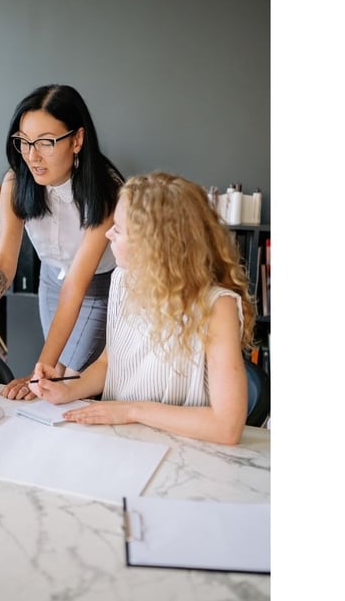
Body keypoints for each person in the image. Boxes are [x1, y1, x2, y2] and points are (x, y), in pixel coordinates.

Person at [29, 172, 256, 445]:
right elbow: (109, 363)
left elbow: (226, 428)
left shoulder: (218, 306)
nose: (108, 233)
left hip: (187, 449)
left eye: (119, 229)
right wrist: (67, 389)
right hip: (124, 441)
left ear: (155, 244)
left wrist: (132, 411)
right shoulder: (123, 279)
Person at [0, 84, 124, 400]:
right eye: (24, 142)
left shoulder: (106, 190)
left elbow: (77, 284)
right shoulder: (16, 183)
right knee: (55, 382)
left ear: (77, 140)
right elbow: (3, 261)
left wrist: (41, 369)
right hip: (51, 285)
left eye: (45, 143)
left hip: (98, 287)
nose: (32, 156)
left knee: (68, 381)